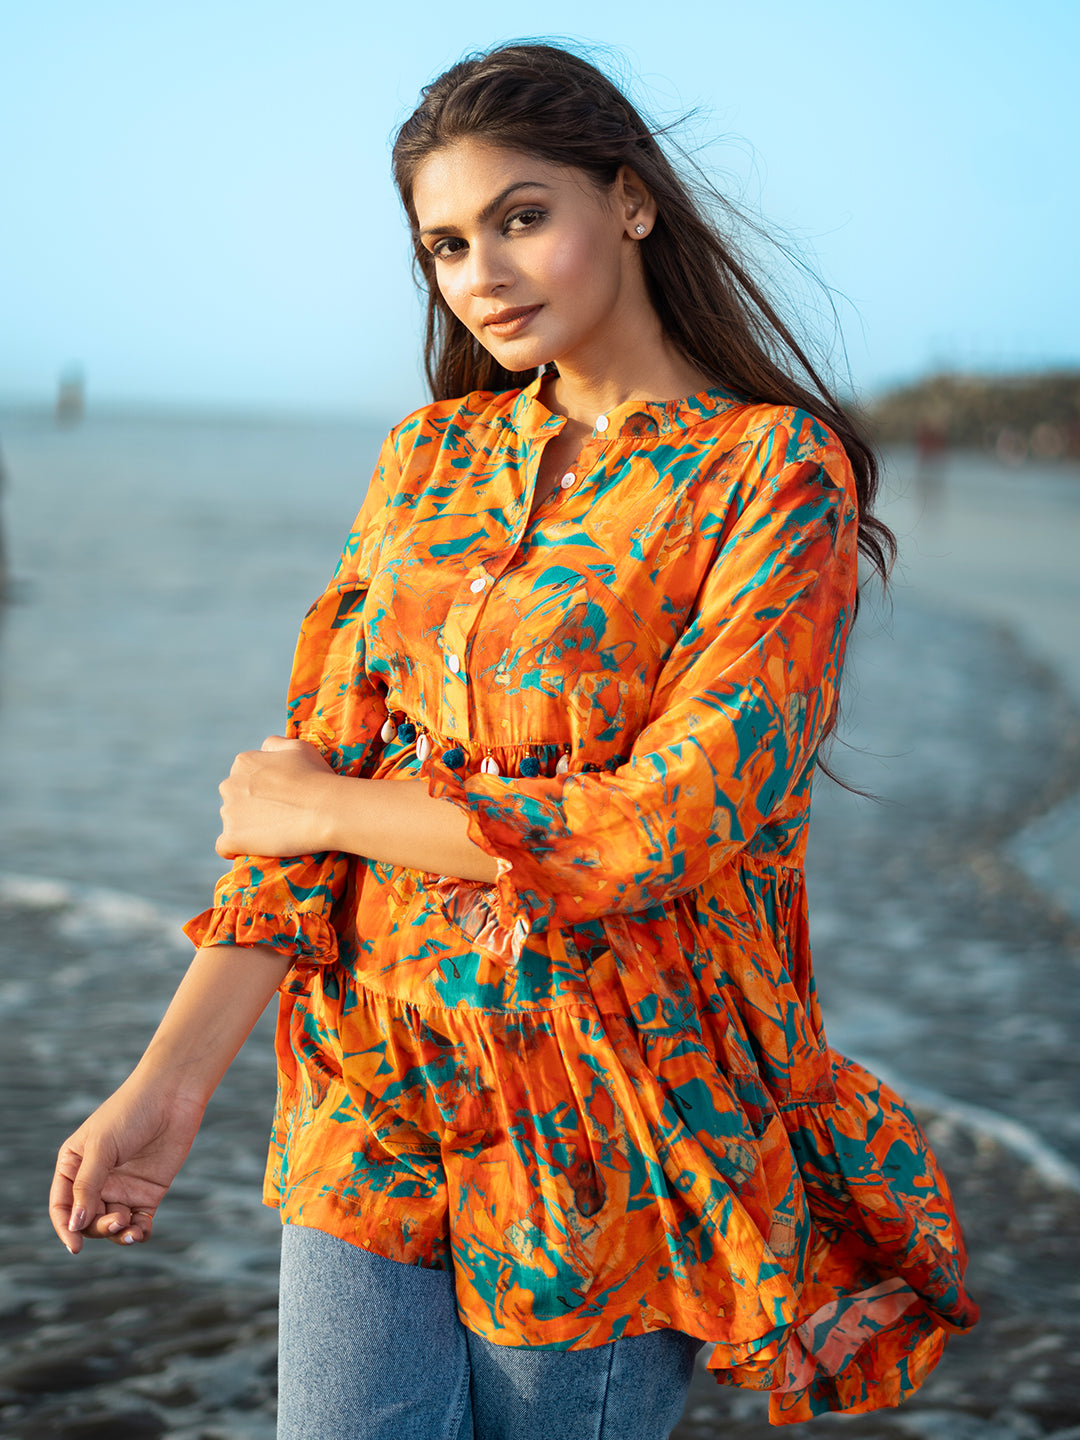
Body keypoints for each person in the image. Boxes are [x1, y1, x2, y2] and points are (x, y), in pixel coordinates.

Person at [50, 41, 978, 1439]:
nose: (479, 270)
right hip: (368, 1079)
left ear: (633, 204)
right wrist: (166, 1086)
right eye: (444, 242)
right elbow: (295, 807)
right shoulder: (427, 462)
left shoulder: (771, 475)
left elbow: (663, 829)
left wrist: (339, 813)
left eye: (521, 217)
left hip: (600, 1113)